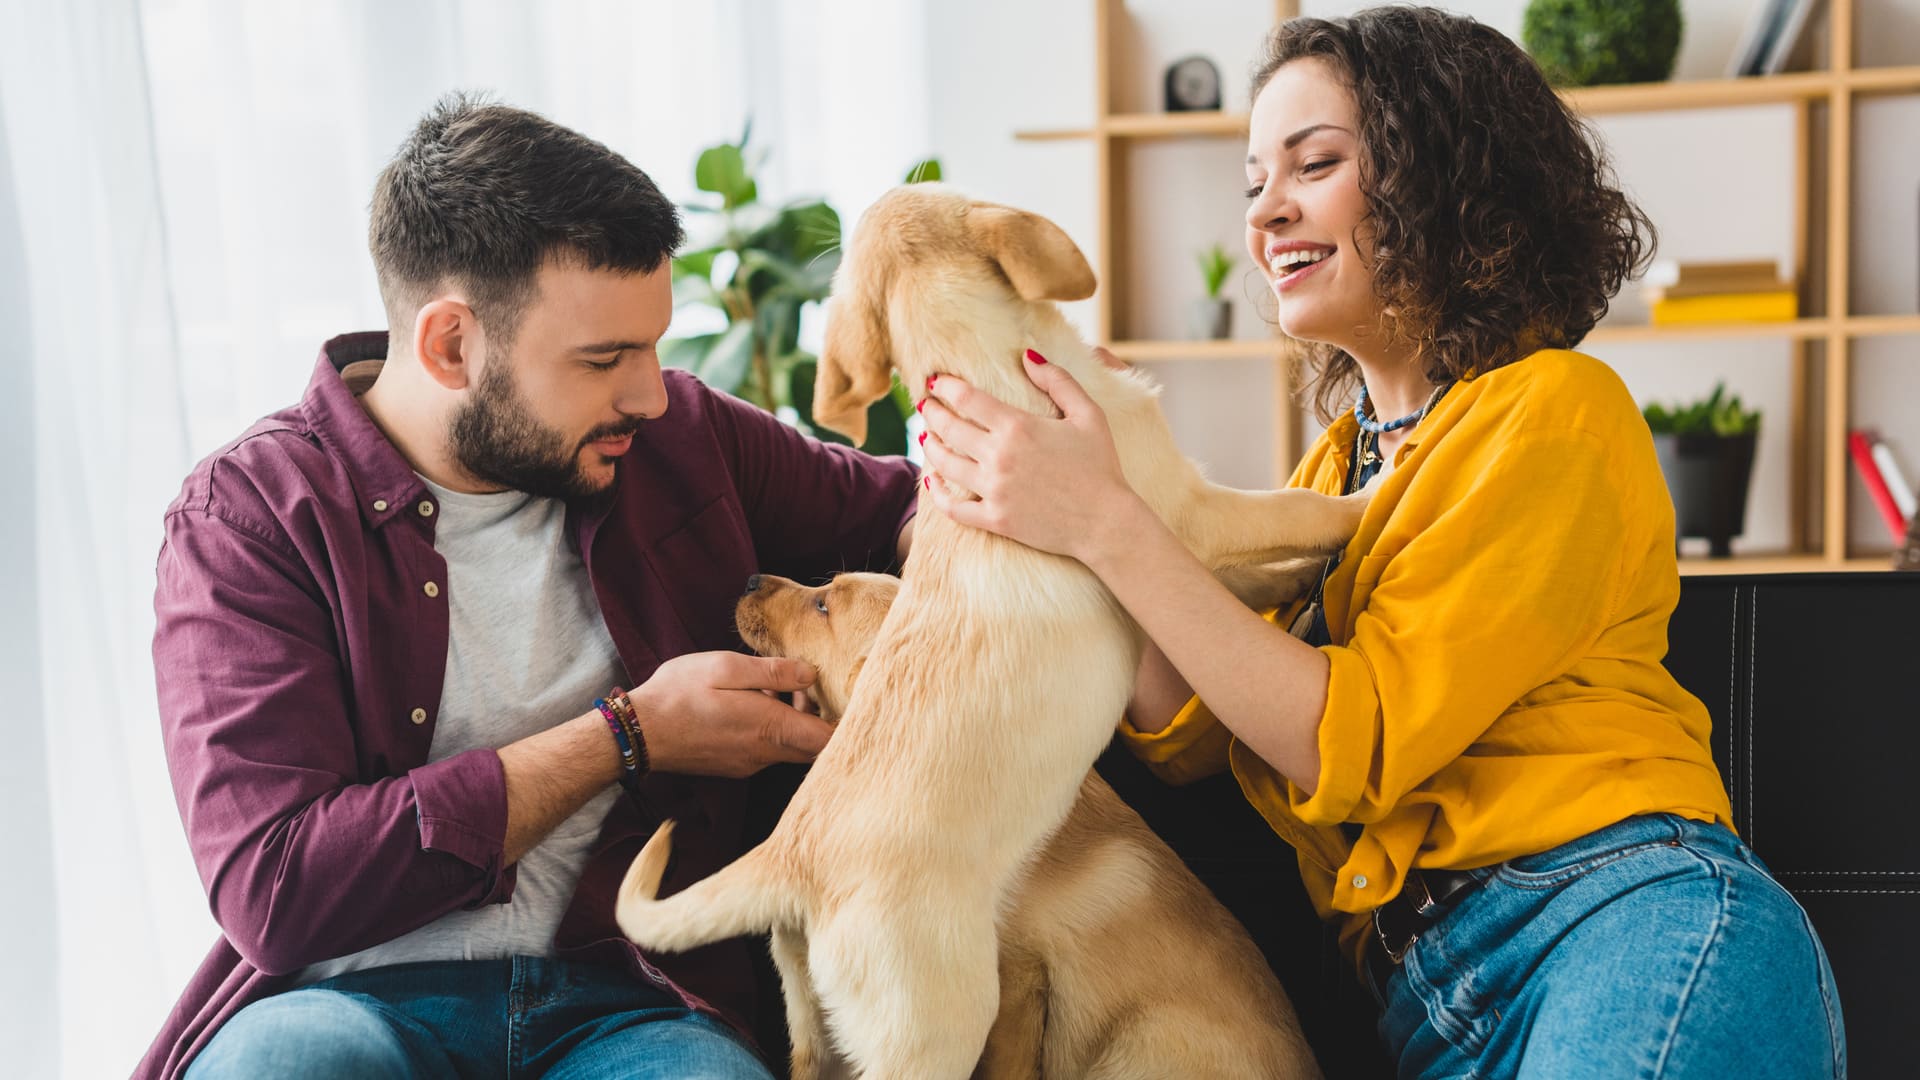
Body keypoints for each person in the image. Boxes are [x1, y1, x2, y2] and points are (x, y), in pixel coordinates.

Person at [917, 7, 1844, 1078]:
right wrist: (1100, 490)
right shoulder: (1338, 469)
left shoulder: (1556, 411)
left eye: (1314, 163)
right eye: (1255, 181)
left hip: (1617, 920)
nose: (1268, 213)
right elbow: (1188, 730)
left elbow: (1350, 740)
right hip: (1429, 1004)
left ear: (1445, 182)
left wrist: (1109, 522)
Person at [141, 95, 918, 1080]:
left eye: (653, 346)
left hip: (632, 999)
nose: (648, 391)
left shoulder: (682, 435)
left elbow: (910, 514)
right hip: (341, 998)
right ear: (452, 346)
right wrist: (625, 736)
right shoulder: (249, 519)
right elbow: (279, 889)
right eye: (604, 360)